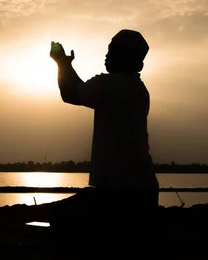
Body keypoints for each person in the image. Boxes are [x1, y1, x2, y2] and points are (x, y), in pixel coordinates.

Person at [47, 29, 159, 233]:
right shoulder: (139, 89)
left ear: (126, 57)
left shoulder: (109, 84)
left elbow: (71, 93)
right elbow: (81, 89)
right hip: (145, 192)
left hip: (118, 194)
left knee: (62, 220)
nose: (107, 55)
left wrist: (62, 63)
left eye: (113, 51)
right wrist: (66, 65)